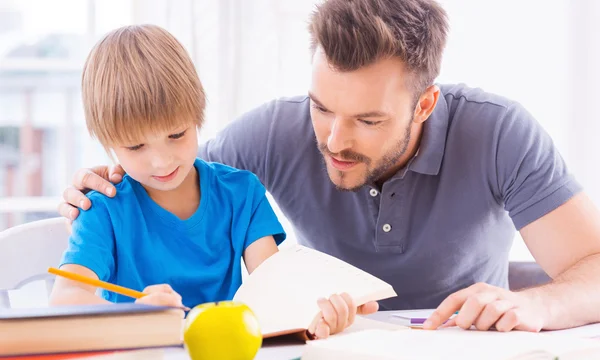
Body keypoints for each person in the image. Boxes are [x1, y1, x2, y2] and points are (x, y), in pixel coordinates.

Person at [59, 0, 600, 333]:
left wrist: (541, 305)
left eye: (367, 120)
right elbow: (171, 176)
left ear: (425, 105)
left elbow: (592, 264)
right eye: (321, 107)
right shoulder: (271, 134)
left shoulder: (499, 131)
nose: (334, 140)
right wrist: (91, 191)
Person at [50, 24, 374, 340]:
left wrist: (320, 313)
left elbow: (274, 287)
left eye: (176, 135)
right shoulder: (103, 207)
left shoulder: (241, 194)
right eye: (136, 147)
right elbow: (65, 299)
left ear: (197, 115)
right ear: (108, 143)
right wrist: (131, 316)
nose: (162, 161)